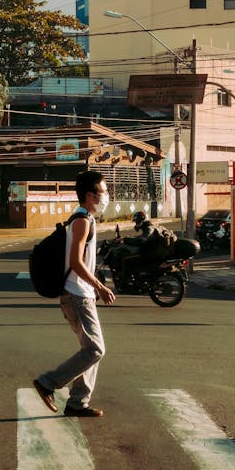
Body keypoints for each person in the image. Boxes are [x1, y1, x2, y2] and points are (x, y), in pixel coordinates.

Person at [33, 170, 115, 418]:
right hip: (77, 294)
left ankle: (78, 402)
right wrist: (100, 286)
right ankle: (48, 382)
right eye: (103, 192)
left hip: (81, 293)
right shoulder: (81, 221)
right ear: (90, 195)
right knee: (95, 350)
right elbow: (76, 262)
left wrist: (94, 287)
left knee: (89, 350)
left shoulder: (85, 218)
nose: (106, 197)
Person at [116, 211, 155, 284]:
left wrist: (125, 240)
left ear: (141, 221)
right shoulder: (147, 227)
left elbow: (141, 240)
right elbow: (140, 237)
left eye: (137, 222)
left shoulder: (149, 228)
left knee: (125, 259)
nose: (136, 224)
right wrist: (126, 238)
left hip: (148, 254)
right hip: (149, 252)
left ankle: (127, 283)